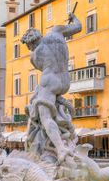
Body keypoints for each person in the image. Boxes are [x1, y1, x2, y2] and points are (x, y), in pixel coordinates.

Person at [21, 11, 82, 165]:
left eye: (28, 46)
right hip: (65, 81)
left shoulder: (34, 55)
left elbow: (43, 68)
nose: (29, 49)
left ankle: (60, 149)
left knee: (45, 116)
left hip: (50, 81)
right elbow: (78, 27)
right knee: (42, 100)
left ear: (31, 43)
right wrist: (73, 18)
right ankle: (62, 137)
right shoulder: (56, 31)